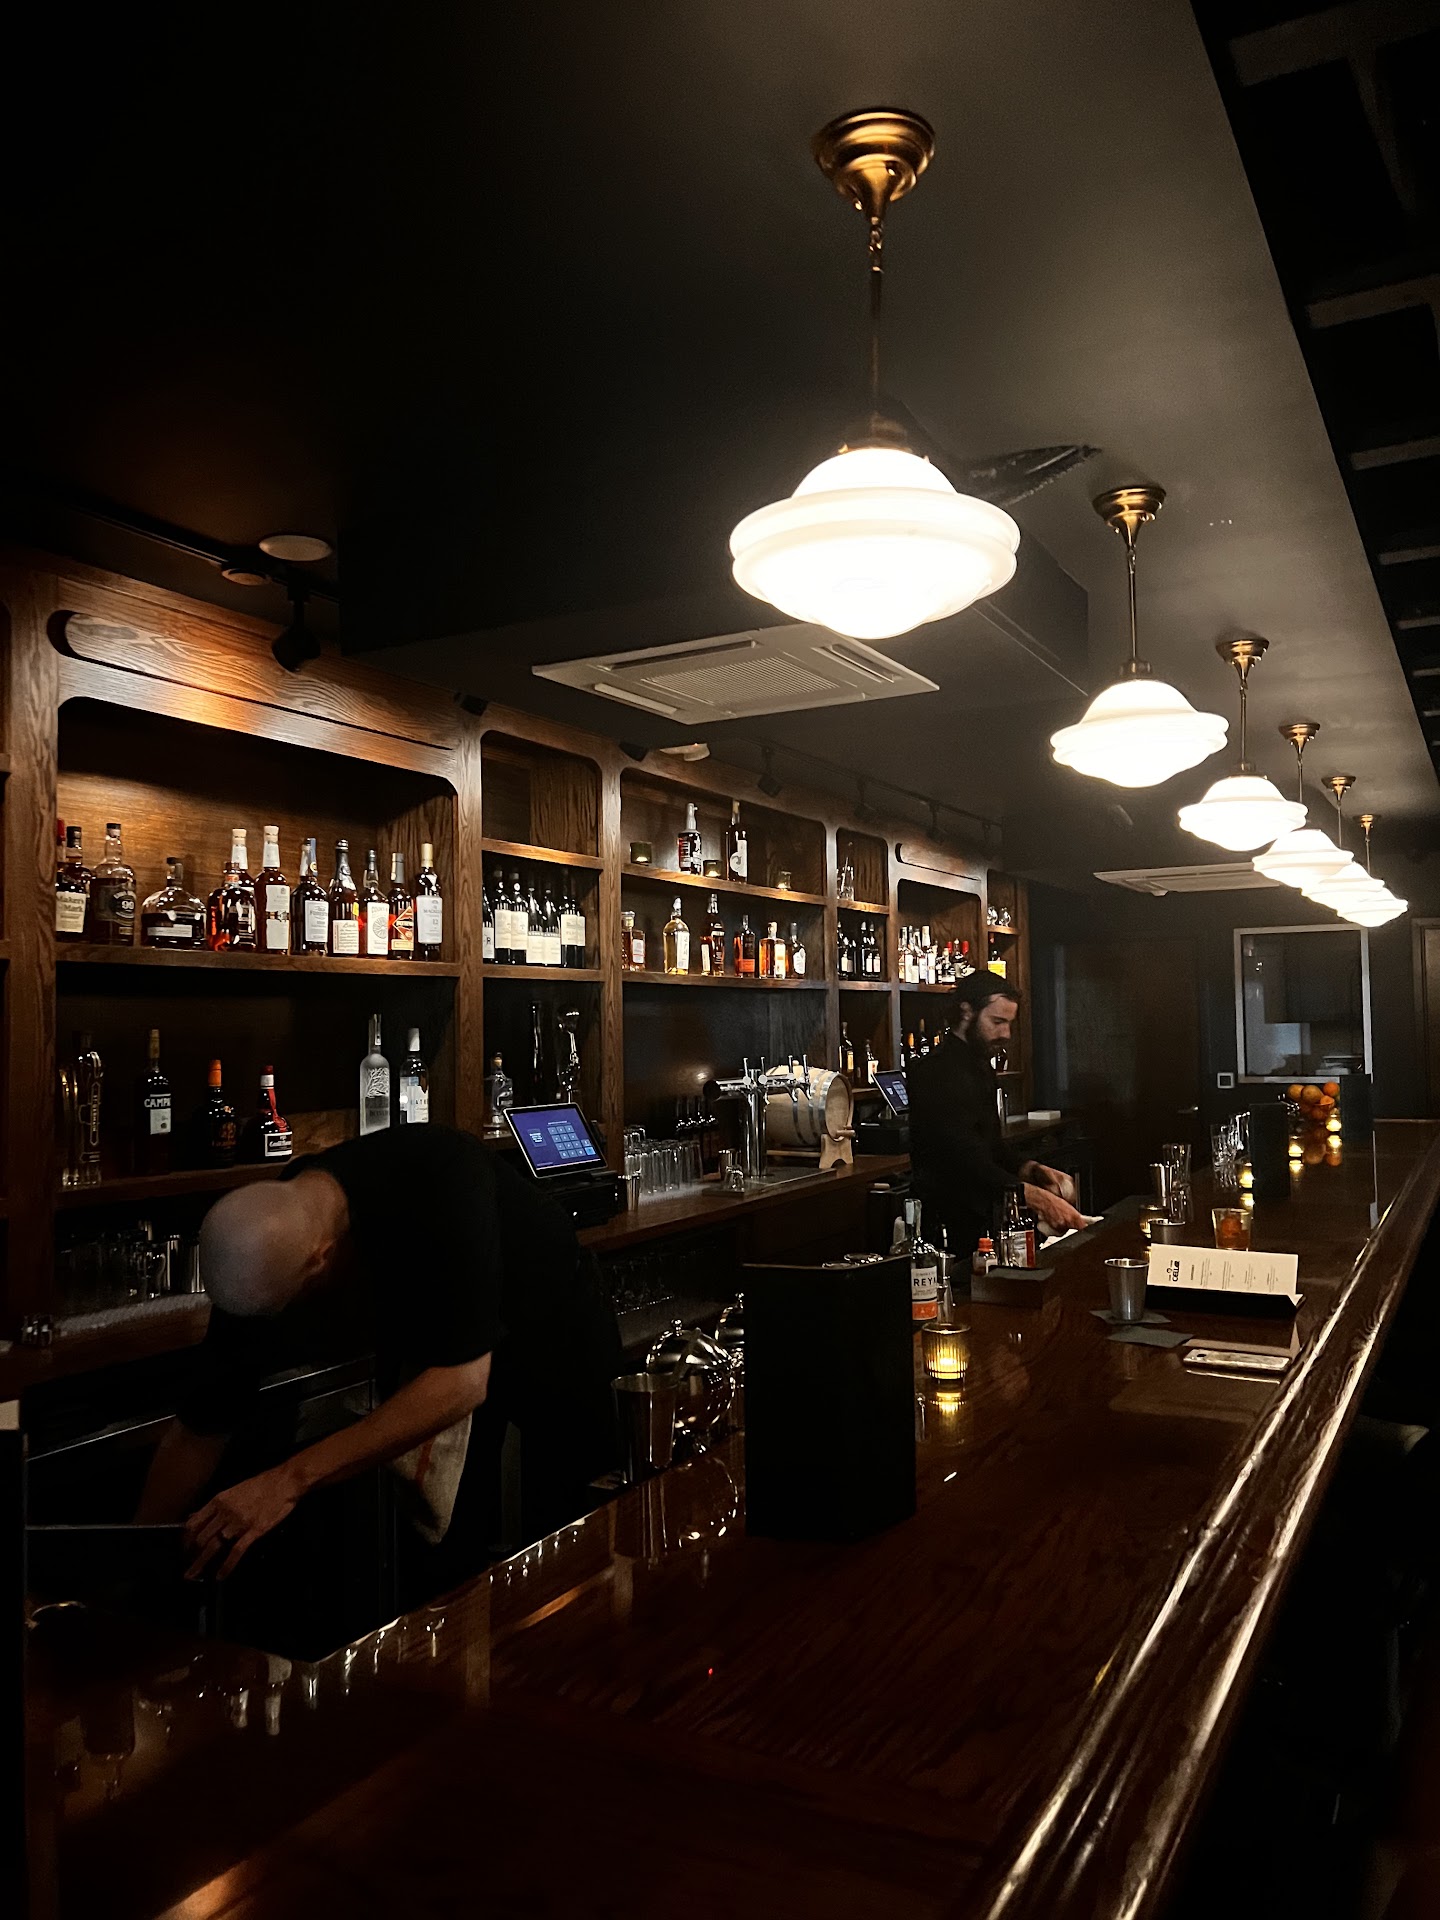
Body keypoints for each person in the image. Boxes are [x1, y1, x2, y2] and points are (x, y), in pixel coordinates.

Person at [137, 1126, 621, 1598]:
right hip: (439, 1349)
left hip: (553, 1331)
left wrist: (286, 1481)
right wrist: (138, 1556)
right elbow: (203, 1423)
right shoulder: (260, 1240)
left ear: (320, 1259)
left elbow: (463, 1382)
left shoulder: (442, 1176)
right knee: (444, 1567)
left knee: (581, 1532)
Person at [906, 970, 1088, 1255]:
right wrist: (1037, 1198)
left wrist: (1032, 1170)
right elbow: (963, 1161)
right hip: (946, 1228)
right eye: (997, 1022)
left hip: (983, 1220)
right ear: (967, 1012)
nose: (1006, 1034)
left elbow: (991, 1147)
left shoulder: (981, 1067)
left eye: (1009, 1023)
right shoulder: (936, 1072)